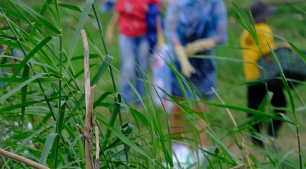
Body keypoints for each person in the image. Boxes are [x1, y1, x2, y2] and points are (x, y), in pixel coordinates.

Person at [164, 0, 228, 145]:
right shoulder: (178, 3)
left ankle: (202, 151)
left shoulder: (214, 3)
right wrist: (181, 53)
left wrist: (203, 44)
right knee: (178, 107)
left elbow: (221, 33)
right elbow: (171, 29)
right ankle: (176, 150)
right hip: (180, 61)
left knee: (201, 110)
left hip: (204, 61)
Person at [240, 1, 286, 147]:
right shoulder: (264, 29)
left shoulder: (246, 32)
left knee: (255, 110)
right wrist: (283, 48)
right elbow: (268, 52)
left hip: (252, 76)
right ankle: (271, 136)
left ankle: (256, 142)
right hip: (267, 75)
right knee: (280, 105)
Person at [106, 0, 161, 105]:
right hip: (127, 36)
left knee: (142, 69)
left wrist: (159, 36)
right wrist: (110, 29)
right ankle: (123, 101)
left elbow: (155, 16)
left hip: (143, 36)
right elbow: (118, 12)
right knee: (128, 68)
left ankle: (140, 101)